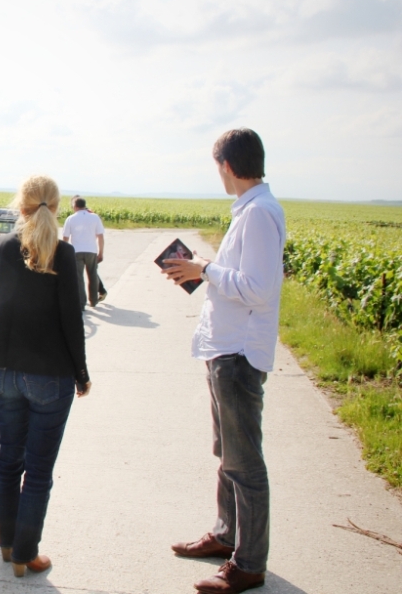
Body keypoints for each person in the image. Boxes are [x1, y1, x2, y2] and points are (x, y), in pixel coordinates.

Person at [162, 128, 286, 594]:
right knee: (228, 454)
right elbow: (246, 277)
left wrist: (205, 270)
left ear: (227, 166)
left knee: (244, 461)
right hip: (225, 347)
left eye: (218, 168)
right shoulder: (254, 211)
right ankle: (226, 535)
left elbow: (258, 288)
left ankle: (248, 563)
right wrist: (202, 270)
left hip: (237, 353)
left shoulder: (257, 214)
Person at [0, 175, 92, 577]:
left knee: (8, 459)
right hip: (50, 376)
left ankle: (8, 545)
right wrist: (81, 373)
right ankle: (26, 554)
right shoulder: (63, 254)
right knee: (38, 470)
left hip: (5, 372)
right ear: (56, 206)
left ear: (20, 205)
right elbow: (71, 320)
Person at [62, 196, 106, 309]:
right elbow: (100, 236)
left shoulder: (71, 218)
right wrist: (101, 252)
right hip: (91, 250)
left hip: (76, 251)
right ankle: (93, 301)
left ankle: (81, 303)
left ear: (75, 206)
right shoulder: (95, 217)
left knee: (79, 277)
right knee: (92, 275)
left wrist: (64, 253)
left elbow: (65, 238)